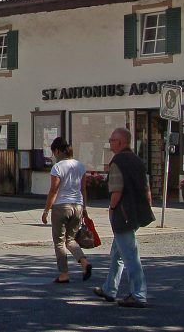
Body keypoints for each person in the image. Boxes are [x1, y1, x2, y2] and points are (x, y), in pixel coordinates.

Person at [93, 127, 154, 308]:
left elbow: (117, 190)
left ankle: (139, 294)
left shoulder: (117, 161)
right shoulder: (137, 161)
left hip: (123, 214)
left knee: (130, 255)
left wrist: (111, 208)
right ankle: (109, 289)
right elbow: (146, 189)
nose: (110, 142)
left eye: (112, 140)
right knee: (117, 253)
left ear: (120, 142)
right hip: (136, 213)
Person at [41, 137, 92, 284]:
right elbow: (83, 189)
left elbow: (53, 190)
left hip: (61, 206)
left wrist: (46, 210)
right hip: (77, 205)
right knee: (70, 240)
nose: (54, 155)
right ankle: (84, 263)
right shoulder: (80, 166)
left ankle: (64, 274)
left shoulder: (57, 167)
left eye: (54, 152)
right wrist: (85, 207)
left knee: (59, 242)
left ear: (57, 151)